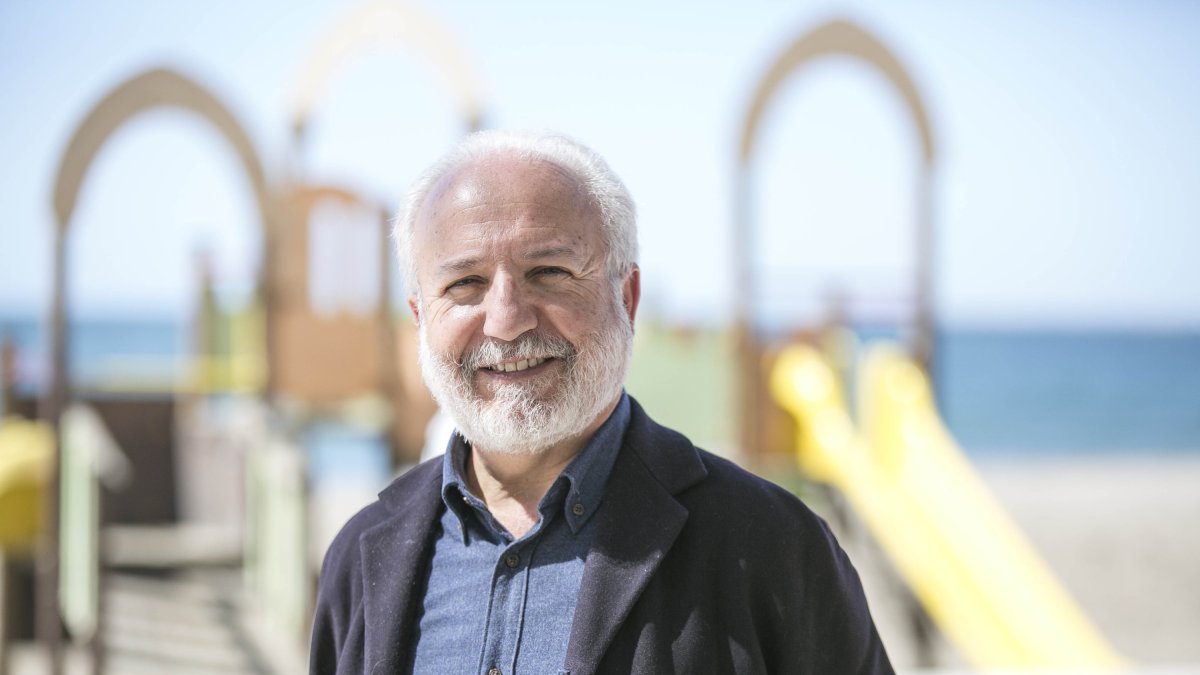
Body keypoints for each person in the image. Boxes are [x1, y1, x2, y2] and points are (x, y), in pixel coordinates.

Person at [309, 130, 893, 674]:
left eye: (549, 272)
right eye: (465, 284)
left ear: (627, 297)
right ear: (420, 318)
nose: (507, 321)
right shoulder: (363, 559)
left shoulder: (770, 546)